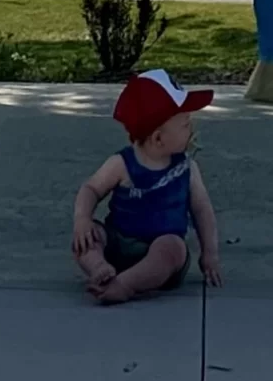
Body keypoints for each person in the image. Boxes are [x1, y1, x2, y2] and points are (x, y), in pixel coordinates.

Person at [70, 70, 222, 305]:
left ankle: (125, 285)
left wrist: (209, 252)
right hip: (118, 244)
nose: (191, 128)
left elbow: (203, 210)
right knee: (88, 238)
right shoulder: (121, 164)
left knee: (174, 248)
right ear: (159, 138)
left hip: (161, 252)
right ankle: (100, 267)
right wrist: (82, 220)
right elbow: (91, 189)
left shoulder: (187, 168)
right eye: (185, 124)